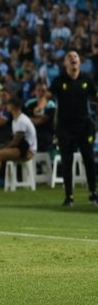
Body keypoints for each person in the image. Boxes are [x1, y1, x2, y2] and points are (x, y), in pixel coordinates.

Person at [49, 51, 98, 207]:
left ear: (79, 62)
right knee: (67, 162)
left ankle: (93, 194)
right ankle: (69, 196)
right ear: (65, 64)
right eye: (70, 58)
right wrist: (41, 105)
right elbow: (48, 96)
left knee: (89, 160)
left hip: (84, 127)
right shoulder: (58, 81)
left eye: (76, 57)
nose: (73, 59)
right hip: (65, 128)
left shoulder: (87, 80)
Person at [0, 97, 37, 193]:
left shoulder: (22, 120)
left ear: (13, 106)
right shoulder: (15, 120)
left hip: (27, 151)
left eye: (8, 105)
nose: (6, 107)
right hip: (20, 148)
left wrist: (2, 149)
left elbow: (16, 141)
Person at [24, 82, 56, 152]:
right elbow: (23, 118)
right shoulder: (29, 103)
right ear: (35, 92)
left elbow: (42, 120)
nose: (41, 93)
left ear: (47, 92)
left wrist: (29, 120)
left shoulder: (51, 104)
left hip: (46, 134)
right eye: (38, 90)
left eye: (43, 91)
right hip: (31, 133)